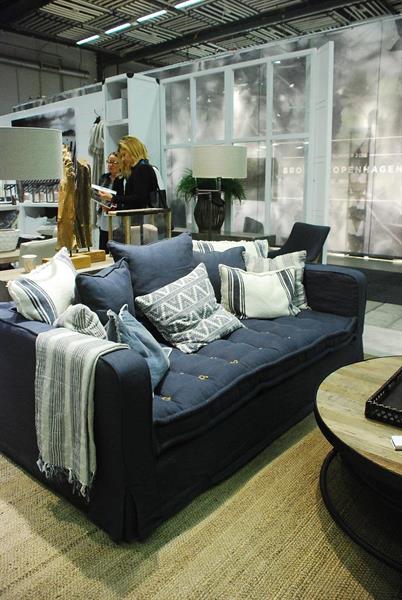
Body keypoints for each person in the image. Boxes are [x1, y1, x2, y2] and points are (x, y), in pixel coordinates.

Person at [98, 136, 159, 212]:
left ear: (133, 151)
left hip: (141, 216)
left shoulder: (142, 168)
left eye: (124, 155)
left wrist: (113, 198)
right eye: (121, 156)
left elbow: (140, 199)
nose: (123, 159)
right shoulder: (137, 169)